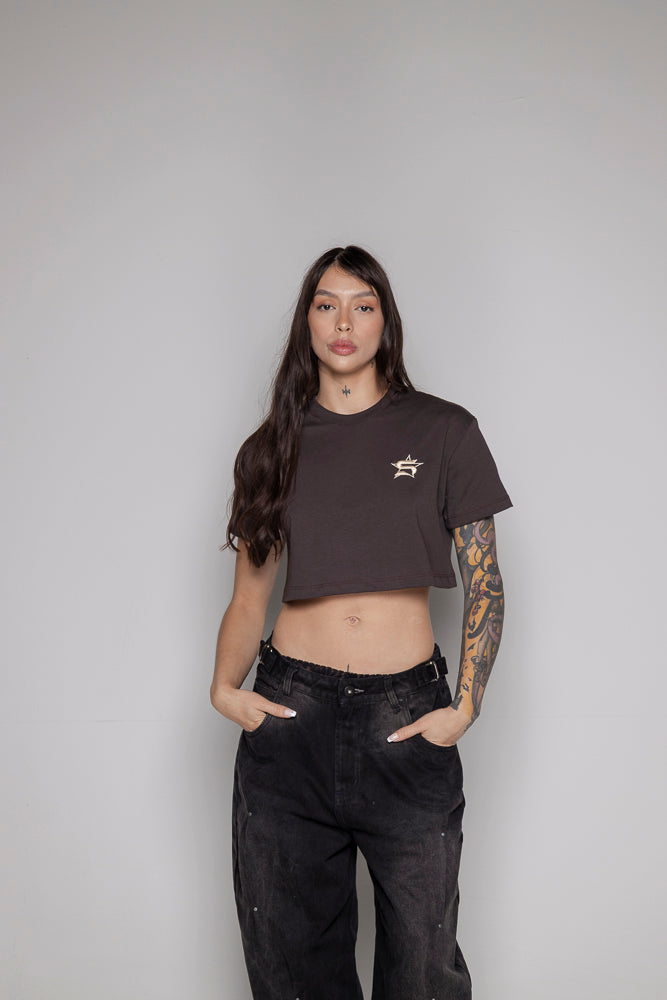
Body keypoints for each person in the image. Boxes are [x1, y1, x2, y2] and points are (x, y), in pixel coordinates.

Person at [210, 245, 512, 1000]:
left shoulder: (444, 431)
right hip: (290, 718)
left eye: (362, 305)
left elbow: (485, 581)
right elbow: (248, 598)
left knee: (423, 970)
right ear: (307, 322)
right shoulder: (271, 448)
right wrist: (223, 689)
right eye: (326, 305)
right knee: (292, 969)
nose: (343, 323)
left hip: (405, 719)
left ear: (385, 321)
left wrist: (465, 704)